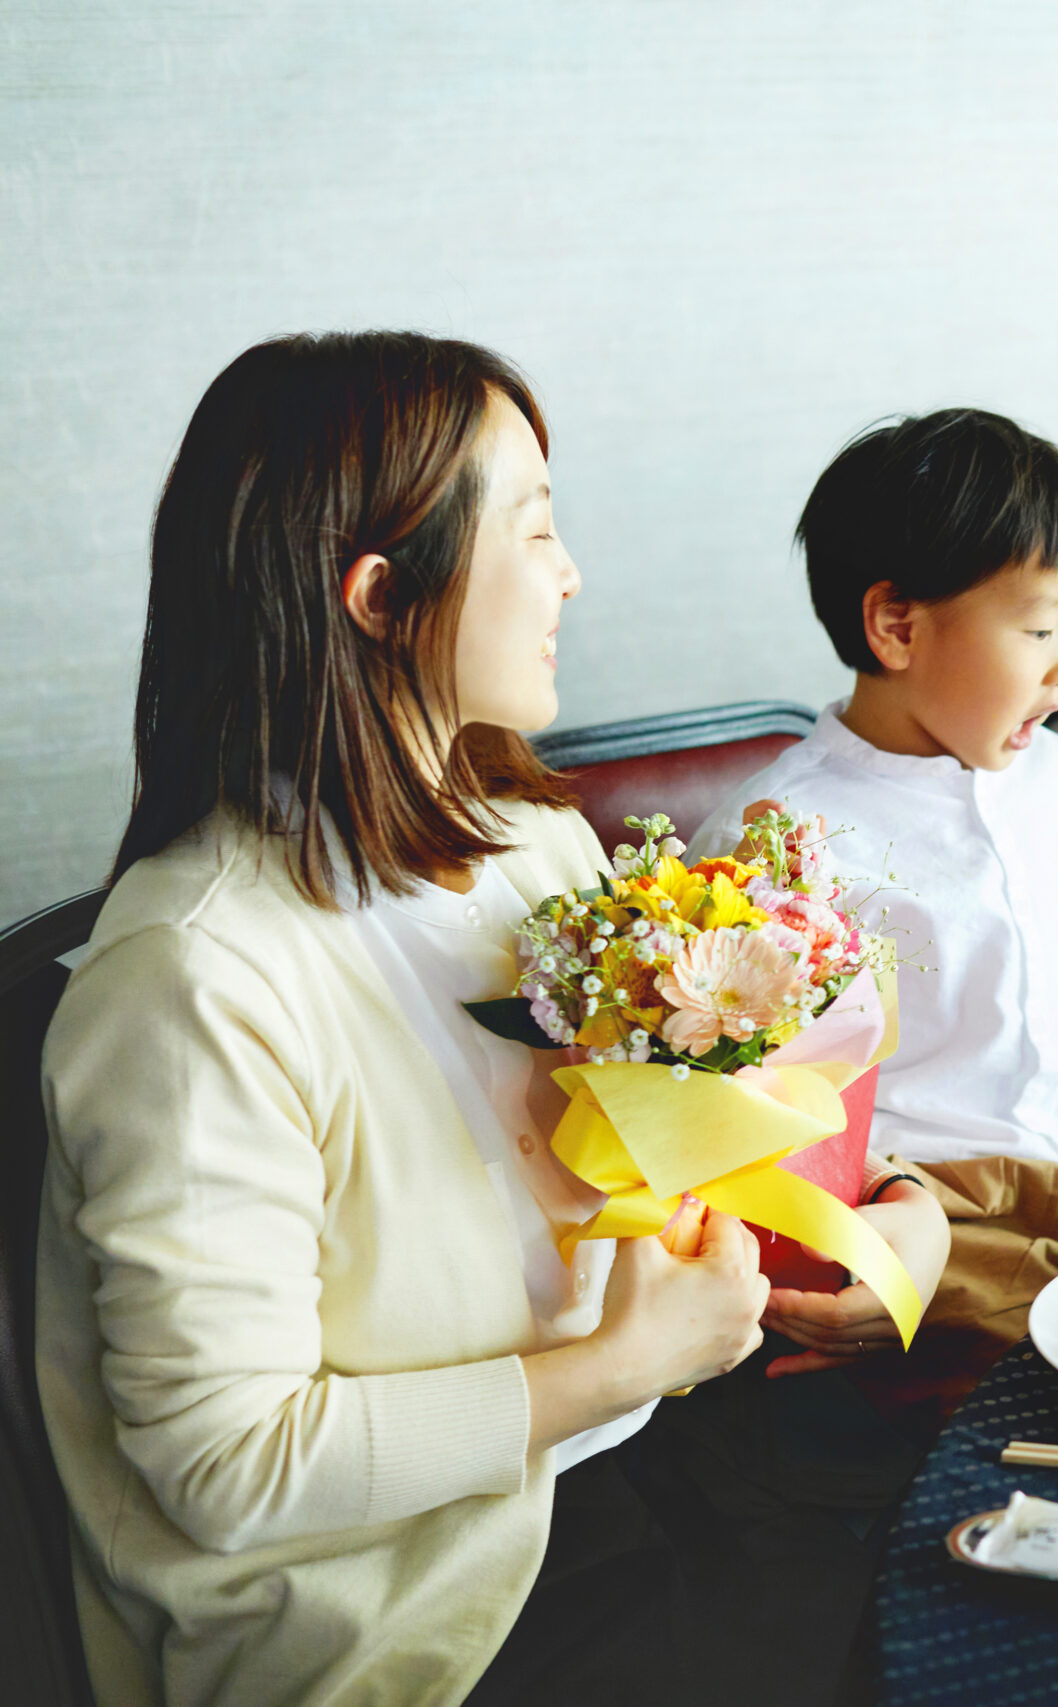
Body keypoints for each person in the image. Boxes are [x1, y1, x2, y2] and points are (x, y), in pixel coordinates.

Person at [37, 333, 940, 1707]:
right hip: (417, 1598)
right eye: (533, 528)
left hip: (647, 1463)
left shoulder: (526, 842)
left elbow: (678, 1149)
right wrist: (621, 1365)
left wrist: (885, 1216)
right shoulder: (192, 979)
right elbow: (226, 1464)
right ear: (381, 596)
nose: (569, 573)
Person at [692, 408, 1058, 1397]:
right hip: (931, 1206)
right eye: (1038, 629)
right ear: (896, 627)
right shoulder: (780, 836)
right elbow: (751, 1106)